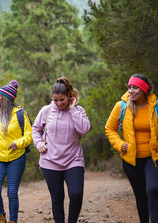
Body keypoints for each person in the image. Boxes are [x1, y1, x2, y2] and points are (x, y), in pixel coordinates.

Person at [105, 73, 158, 223]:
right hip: (131, 161)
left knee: (152, 189)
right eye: (129, 87)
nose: (131, 91)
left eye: (135, 88)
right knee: (140, 196)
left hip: (154, 157)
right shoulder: (122, 106)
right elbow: (109, 128)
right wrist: (120, 145)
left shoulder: (157, 106)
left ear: (144, 90)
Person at [32, 77, 90, 223]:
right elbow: (35, 129)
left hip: (73, 160)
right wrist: (38, 143)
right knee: (57, 198)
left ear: (69, 96)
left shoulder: (78, 110)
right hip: (50, 161)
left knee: (76, 194)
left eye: (62, 100)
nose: (58, 103)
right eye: (55, 100)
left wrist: (72, 109)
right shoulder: (46, 110)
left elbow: (84, 129)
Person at [0, 80, 33, 223]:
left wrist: (18, 143)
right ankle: (0, 215)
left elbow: (30, 135)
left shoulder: (21, 114)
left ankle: (13, 220)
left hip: (16, 158)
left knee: (12, 193)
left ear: (6, 98)